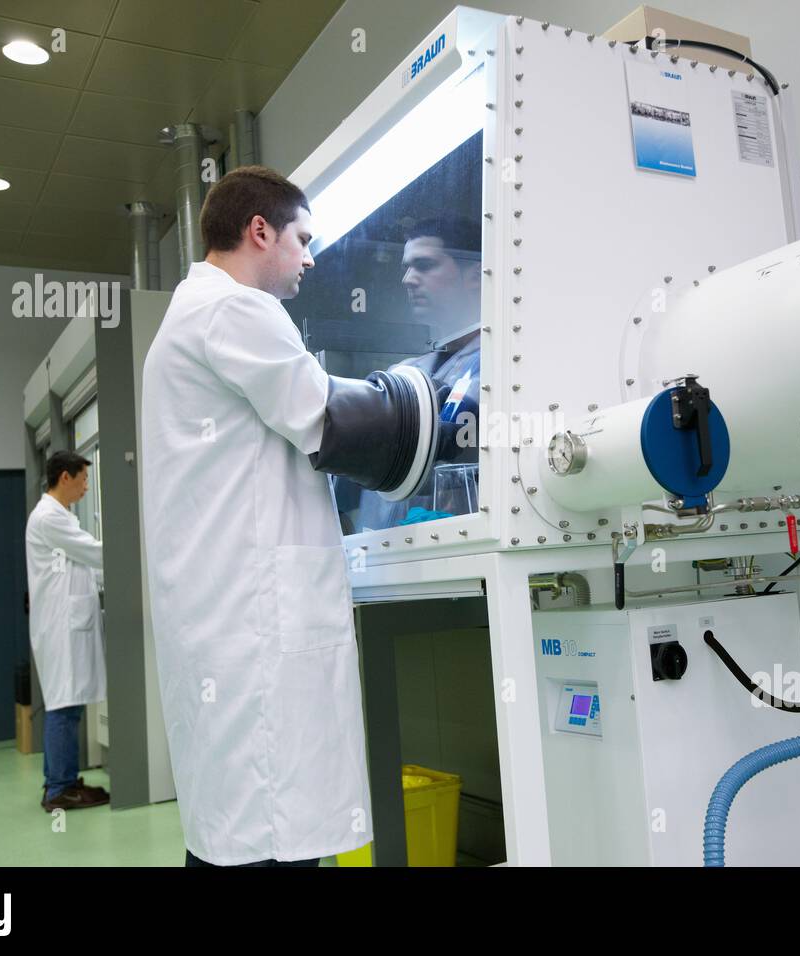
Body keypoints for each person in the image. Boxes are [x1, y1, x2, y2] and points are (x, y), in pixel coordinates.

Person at [140, 166, 371, 867]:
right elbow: (327, 418)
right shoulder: (235, 310)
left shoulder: (193, 311)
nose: (309, 257)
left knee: (233, 836)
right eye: (302, 239)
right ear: (258, 230)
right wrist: (441, 404)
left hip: (227, 623)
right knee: (269, 835)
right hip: (253, 627)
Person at [353, 216, 482, 530]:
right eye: (407, 267)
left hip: (464, 555)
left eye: (424, 265)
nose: (408, 279)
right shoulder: (405, 372)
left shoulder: (502, 367)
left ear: (477, 274)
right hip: (386, 561)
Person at [24, 451, 109, 811]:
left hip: (65, 624)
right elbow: (93, 553)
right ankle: (58, 788)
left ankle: (63, 781)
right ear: (64, 477)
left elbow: (83, 565)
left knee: (68, 704)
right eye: (83, 479)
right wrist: (131, 555)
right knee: (63, 705)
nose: (86, 486)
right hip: (60, 627)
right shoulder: (48, 518)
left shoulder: (60, 517)